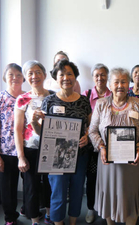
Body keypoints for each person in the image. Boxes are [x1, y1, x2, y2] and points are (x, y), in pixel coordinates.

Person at [88, 67, 139, 225]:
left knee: (130, 199)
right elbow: (92, 131)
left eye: (123, 81)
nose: (120, 85)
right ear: (110, 84)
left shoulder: (138, 104)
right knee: (110, 197)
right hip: (108, 163)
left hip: (132, 164)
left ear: (128, 83)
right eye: (116, 81)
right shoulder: (101, 105)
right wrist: (102, 148)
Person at [33, 59, 92, 225]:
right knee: (57, 191)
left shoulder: (84, 101)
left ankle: (73, 222)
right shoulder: (49, 101)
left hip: (80, 154)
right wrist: (33, 123)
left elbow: (90, 126)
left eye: (70, 74)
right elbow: (42, 133)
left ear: (75, 77)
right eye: (62, 74)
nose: (66, 77)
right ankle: (58, 223)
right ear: (56, 78)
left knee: (77, 189)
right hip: (55, 156)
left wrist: (87, 136)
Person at [14, 60, 53, 225]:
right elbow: (17, 129)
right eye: (30, 73)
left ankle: (50, 215)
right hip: (30, 149)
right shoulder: (22, 99)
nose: (34, 76)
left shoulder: (53, 96)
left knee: (51, 185)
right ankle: (35, 220)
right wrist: (21, 157)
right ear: (25, 77)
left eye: (37, 72)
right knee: (31, 187)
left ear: (44, 75)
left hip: (51, 148)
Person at [0, 63, 25, 225]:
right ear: (5, 78)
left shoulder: (28, 98)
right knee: (8, 189)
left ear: (23, 78)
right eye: (11, 75)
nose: (15, 78)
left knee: (32, 185)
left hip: (28, 150)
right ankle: (10, 217)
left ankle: (30, 209)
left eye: (18, 74)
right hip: (5, 152)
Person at [81, 63, 111, 223]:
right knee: (91, 178)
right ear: (93, 78)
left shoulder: (114, 95)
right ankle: (91, 208)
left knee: (109, 178)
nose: (100, 78)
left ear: (107, 76)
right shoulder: (85, 96)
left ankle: (109, 208)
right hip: (92, 145)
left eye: (103, 74)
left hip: (111, 145)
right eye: (96, 75)